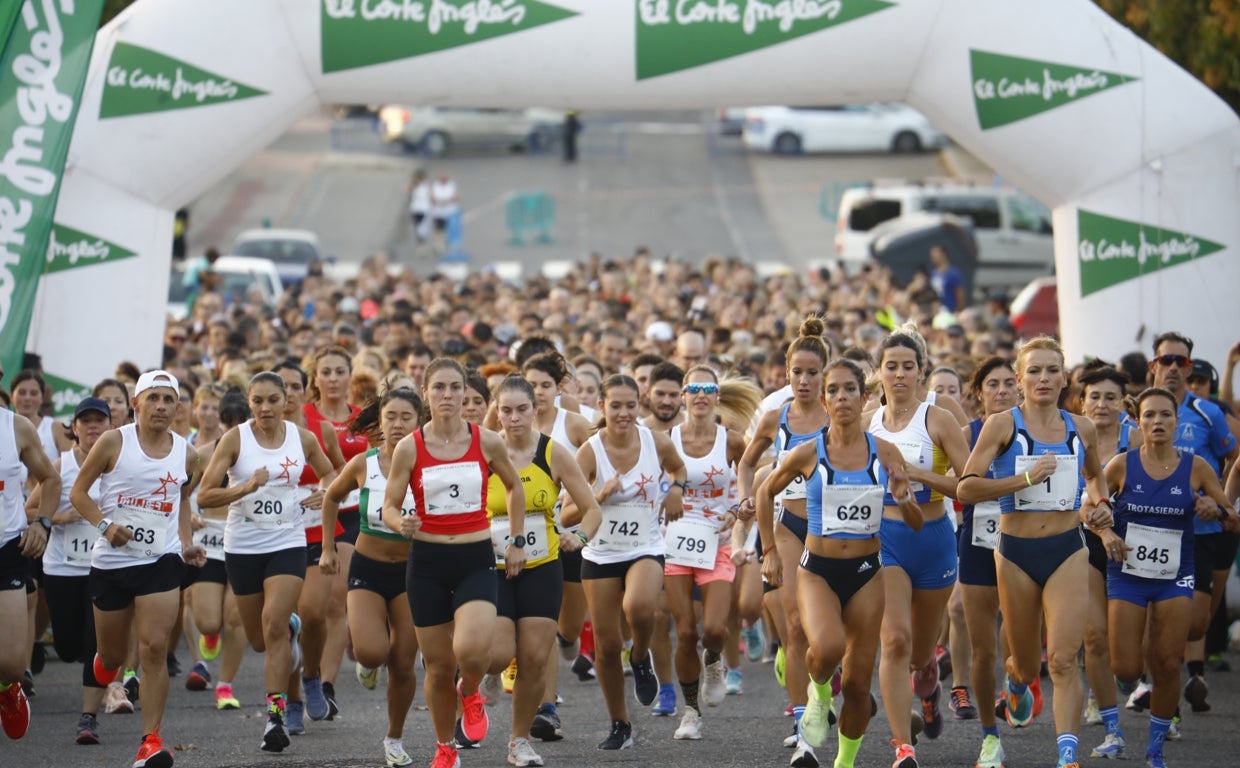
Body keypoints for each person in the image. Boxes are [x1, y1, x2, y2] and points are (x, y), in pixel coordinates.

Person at [758, 359, 923, 768]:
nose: (842, 398)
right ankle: (817, 692)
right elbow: (765, 493)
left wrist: (903, 496)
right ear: (825, 399)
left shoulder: (883, 451)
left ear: (865, 397)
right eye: (834, 390)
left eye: (851, 390)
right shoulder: (807, 452)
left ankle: (844, 762)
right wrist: (769, 549)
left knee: (857, 682)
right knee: (827, 647)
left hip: (867, 574)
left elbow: (916, 521)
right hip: (818, 571)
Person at [958, 337, 1111, 768]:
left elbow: (1096, 479)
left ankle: (1067, 757)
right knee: (1026, 666)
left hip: (1067, 549)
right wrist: (1022, 481)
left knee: (1063, 659)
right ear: (1021, 379)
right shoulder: (1002, 425)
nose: (1043, 378)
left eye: (1051, 370)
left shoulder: (1080, 427)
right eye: (1034, 371)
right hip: (1015, 553)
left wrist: (1102, 507)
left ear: (1065, 378)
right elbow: (967, 487)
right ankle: (1018, 682)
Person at [382, 358, 526, 768]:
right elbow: (391, 505)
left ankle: (473, 690)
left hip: (474, 556)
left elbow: (514, 487)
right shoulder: (410, 446)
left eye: (455, 388)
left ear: (466, 393)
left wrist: (515, 541)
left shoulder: (486, 441)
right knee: (440, 667)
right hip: (426, 561)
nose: (447, 395)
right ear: (426, 393)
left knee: (471, 649)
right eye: (439, 388)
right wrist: (401, 522)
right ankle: (446, 747)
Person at [1090, 386, 1236, 768]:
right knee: (1125, 667)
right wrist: (1105, 529)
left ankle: (1155, 748)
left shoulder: (1197, 467)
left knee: (1169, 663)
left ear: (1177, 422)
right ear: (1138, 422)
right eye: (1149, 415)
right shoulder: (1122, 464)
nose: (1157, 422)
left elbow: (1232, 518)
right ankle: (1133, 695)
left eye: (1165, 415)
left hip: (1176, 575)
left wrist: (1212, 510)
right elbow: (1087, 508)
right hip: (1128, 573)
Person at [70, 370, 204, 768]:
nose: (161, 406)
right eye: (153, 398)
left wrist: (183, 543)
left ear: (177, 407)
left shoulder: (187, 452)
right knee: (111, 657)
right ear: (136, 403)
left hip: (159, 561)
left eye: (168, 399)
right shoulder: (114, 441)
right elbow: (78, 493)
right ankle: (105, 667)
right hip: (112, 562)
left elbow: (181, 499)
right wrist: (106, 526)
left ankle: (151, 741)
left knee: (154, 649)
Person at [196, 371, 334, 752]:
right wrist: (243, 488)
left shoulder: (301, 438)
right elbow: (205, 495)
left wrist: (324, 492)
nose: (265, 408)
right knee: (260, 639)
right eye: (258, 401)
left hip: (286, 540)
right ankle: (289, 628)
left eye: (273, 399)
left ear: (286, 398)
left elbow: (331, 473)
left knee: (272, 624)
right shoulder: (235, 439)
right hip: (242, 545)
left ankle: (275, 716)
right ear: (249, 402)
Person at [483, 376, 601, 766]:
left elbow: (592, 508)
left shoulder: (553, 453)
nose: (514, 418)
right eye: (506, 410)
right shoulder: (483, 454)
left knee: (534, 658)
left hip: (542, 565)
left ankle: (518, 741)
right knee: (499, 655)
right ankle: (474, 685)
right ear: (496, 413)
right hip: (494, 566)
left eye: (522, 410)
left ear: (536, 410)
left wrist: (580, 537)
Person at [867, 327, 971, 768]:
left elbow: (969, 485)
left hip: (933, 541)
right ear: (879, 372)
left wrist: (916, 474)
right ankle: (901, 746)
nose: (900, 374)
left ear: (922, 371)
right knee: (893, 641)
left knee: (921, 654)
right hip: (886, 539)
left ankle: (928, 690)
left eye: (908, 366)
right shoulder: (868, 420)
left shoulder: (937, 419)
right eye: (891, 366)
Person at [566, 373, 686, 751]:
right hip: (600, 553)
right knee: (604, 645)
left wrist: (675, 491)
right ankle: (620, 724)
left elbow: (678, 468)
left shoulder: (656, 441)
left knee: (640, 607)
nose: (623, 413)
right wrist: (598, 494)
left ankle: (640, 656)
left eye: (630, 405)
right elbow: (567, 511)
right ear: (602, 407)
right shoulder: (589, 451)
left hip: (645, 546)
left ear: (640, 405)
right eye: (614, 406)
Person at [738, 316, 831, 767]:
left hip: (836, 529)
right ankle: (800, 725)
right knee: (794, 625)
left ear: (826, 376)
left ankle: (823, 692)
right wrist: (746, 500)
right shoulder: (777, 417)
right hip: (790, 524)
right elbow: (748, 463)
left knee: (829, 635)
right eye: (797, 372)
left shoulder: (843, 413)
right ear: (786, 372)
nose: (804, 381)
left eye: (813, 373)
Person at [319, 389, 424, 768]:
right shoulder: (364, 464)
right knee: (371, 652)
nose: (397, 424)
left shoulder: (430, 464)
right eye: (390, 417)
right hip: (367, 565)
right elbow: (331, 498)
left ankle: (394, 738)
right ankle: (366, 664)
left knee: (402, 662)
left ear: (419, 422)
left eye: (405, 417)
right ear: (379, 422)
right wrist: (329, 548)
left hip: (413, 573)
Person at [1146, 332, 1238, 716]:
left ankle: (1169, 667)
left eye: (1180, 362)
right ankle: (1162, 685)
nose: (1172, 368)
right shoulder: (1138, 410)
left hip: (1198, 533)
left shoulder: (1208, 413)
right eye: (1165, 360)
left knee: (1197, 624)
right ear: (1153, 365)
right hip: (1150, 531)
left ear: (1188, 367)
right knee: (1154, 619)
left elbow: (1235, 458)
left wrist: (1221, 505)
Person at [664, 366, 746, 740]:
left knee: (714, 628)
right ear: (683, 396)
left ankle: (714, 660)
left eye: (707, 389)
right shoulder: (666, 440)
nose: (699, 395)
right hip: (676, 542)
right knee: (683, 632)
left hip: (717, 541)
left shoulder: (732, 441)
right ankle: (691, 712)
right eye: (692, 388)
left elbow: (749, 485)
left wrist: (736, 510)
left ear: (717, 396)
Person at [28, 398, 111, 744]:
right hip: (62, 567)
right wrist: (62, 518)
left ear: (109, 426)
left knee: (96, 641)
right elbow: (30, 507)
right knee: (66, 646)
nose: (92, 427)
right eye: (85, 421)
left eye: (99, 421)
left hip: (103, 565)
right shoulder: (60, 466)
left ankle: (88, 717)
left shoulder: (118, 463)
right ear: (73, 429)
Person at [954, 357, 1017, 768]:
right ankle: (989, 738)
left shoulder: (1037, 430)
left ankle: (1019, 683)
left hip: (1024, 543)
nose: (1001, 390)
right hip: (978, 540)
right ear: (979, 393)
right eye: (992, 384)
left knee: (1018, 636)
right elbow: (957, 486)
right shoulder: (966, 433)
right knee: (982, 649)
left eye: (1009, 383)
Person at [301, 346, 366, 720]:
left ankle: (326, 684)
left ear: (349, 375)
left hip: (353, 514)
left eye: (340, 371)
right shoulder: (304, 419)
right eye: (326, 372)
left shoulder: (363, 420)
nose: (333, 379)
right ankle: (307, 674)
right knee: (311, 609)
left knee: (337, 598)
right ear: (316, 378)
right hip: (310, 517)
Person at [1076, 366, 1134, 756]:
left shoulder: (1142, 438)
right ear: (1082, 402)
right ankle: (1113, 730)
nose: (1101, 404)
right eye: (1094, 396)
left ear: (1123, 404)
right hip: (1086, 546)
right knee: (1094, 637)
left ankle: (1149, 691)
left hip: (1138, 549)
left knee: (1132, 655)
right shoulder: (1070, 439)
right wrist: (1099, 523)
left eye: (1110, 397)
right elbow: (1078, 503)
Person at [0, 384, 60, 742]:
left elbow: (51, 479)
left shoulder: (17, 427)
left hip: (7, 551)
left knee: (11, 664)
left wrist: (42, 522)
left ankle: (8, 690)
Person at [929, 245, 965, 314]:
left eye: (935, 253)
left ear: (943, 255)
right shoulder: (933, 274)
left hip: (950, 311)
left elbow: (960, 294)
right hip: (936, 311)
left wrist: (958, 310)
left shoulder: (953, 273)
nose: (932, 256)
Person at [408, 169, 432, 246]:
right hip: (415, 208)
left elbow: (431, 195)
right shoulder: (414, 186)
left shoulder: (427, 185)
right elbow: (405, 190)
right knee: (417, 226)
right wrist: (412, 182)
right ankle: (420, 242)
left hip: (424, 208)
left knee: (423, 226)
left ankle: (422, 242)